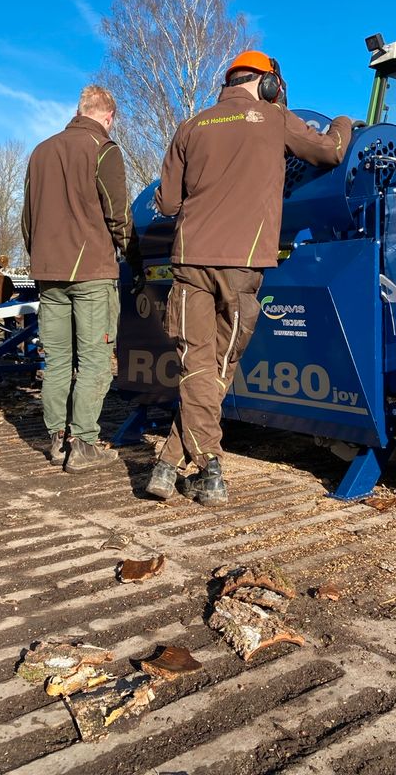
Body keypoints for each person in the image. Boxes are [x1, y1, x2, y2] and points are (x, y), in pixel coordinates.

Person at [146, 51, 354, 506]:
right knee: (218, 367)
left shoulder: (191, 126)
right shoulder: (276, 118)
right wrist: (343, 120)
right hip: (242, 264)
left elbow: (165, 203)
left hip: (189, 261)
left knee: (197, 365)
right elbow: (331, 152)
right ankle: (209, 467)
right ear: (269, 85)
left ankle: (167, 463)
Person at [22, 84, 144, 474]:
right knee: (94, 359)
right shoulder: (103, 149)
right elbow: (117, 215)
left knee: (56, 358)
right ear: (109, 116)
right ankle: (85, 444)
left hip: (48, 273)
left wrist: (40, 258)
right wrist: (135, 259)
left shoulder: (41, 152)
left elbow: (27, 219)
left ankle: (57, 440)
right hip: (91, 272)